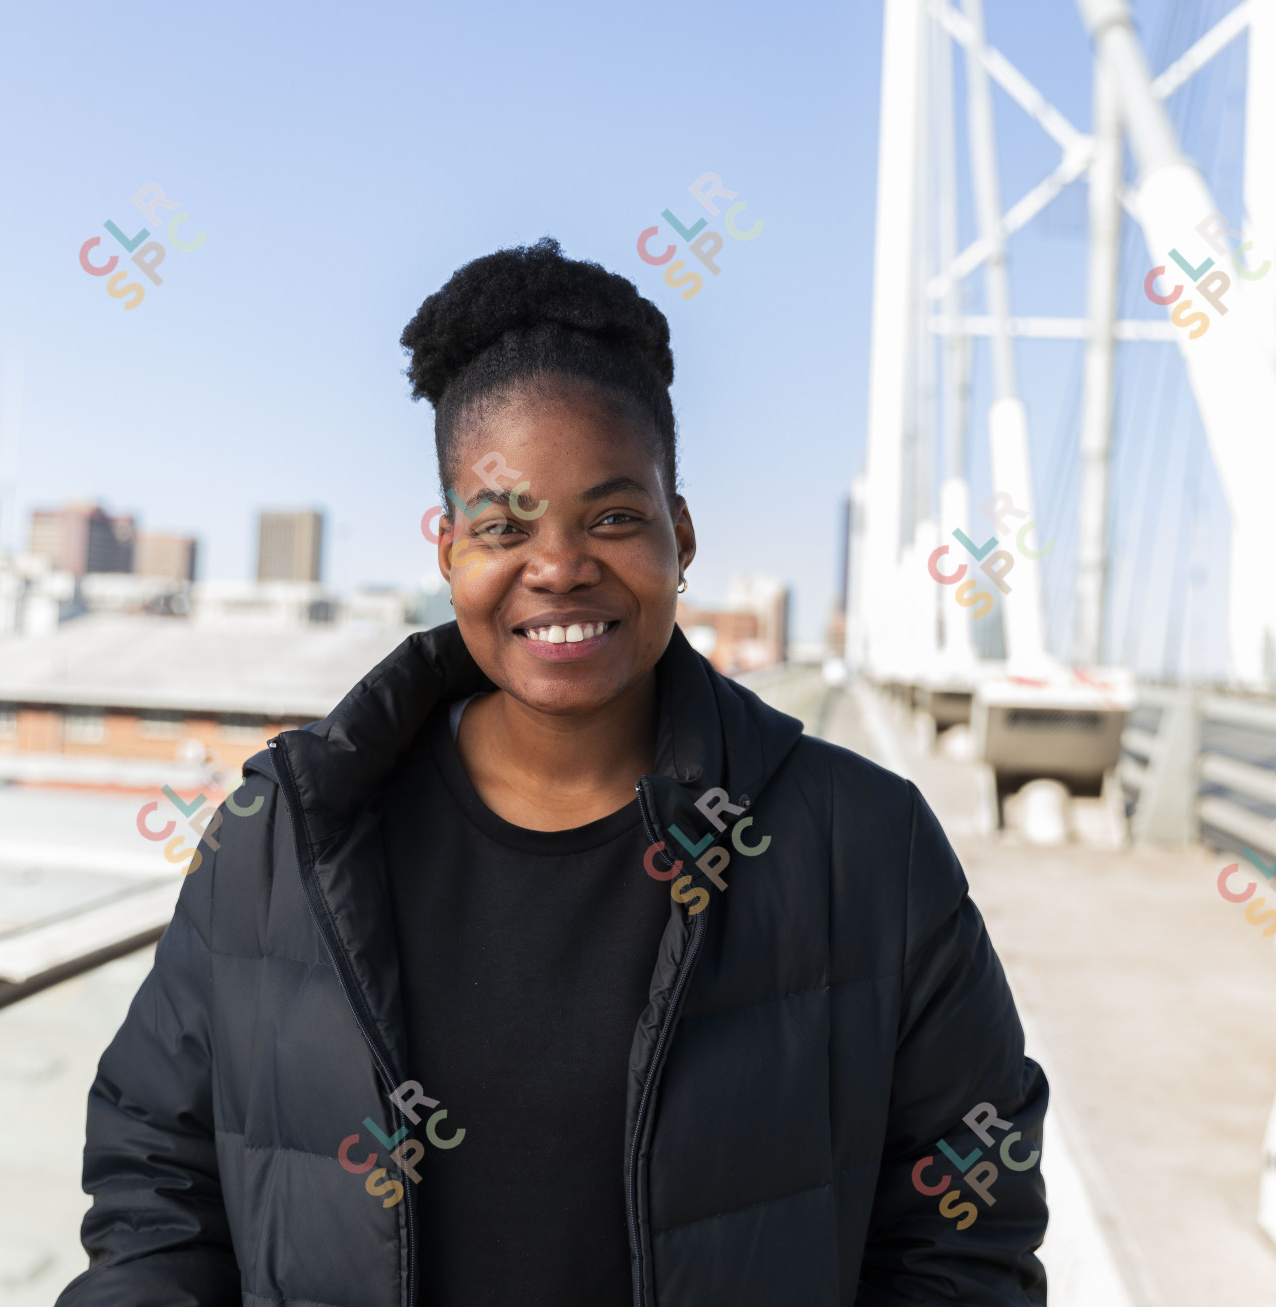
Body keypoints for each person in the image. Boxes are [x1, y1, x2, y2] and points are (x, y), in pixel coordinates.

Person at [59, 237, 1049, 1306]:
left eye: (615, 517)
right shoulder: (288, 833)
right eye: (502, 525)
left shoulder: (865, 848)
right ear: (448, 551)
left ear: (683, 533)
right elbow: (156, 1173)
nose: (560, 565)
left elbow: (966, 1229)